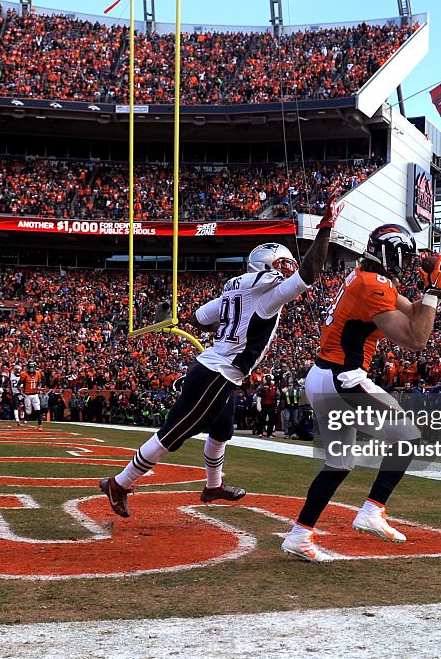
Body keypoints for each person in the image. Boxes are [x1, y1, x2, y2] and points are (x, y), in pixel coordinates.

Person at [99, 197, 343, 517]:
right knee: (175, 432)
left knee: (222, 429)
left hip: (218, 367)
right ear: (272, 267)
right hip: (219, 372)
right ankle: (119, 483)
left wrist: (230, 325)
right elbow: (310, 272)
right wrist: (325, 227)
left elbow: (201, 317)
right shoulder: (267, 296)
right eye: (284, 265)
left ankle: (213, 484)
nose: (289, 270)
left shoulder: (234, 288)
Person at [282, 223, 441, 562]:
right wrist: (434, 294)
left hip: (324, 376)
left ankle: (299, 535)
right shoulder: (372, 285)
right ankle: (372, 509)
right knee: (408, 436)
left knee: (338, 464)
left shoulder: (368, 278)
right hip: (343, 378)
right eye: (404, 256)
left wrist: (435, 295)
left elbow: (413, 311)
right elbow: (416, 339)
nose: (407, 263)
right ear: (389, 253)